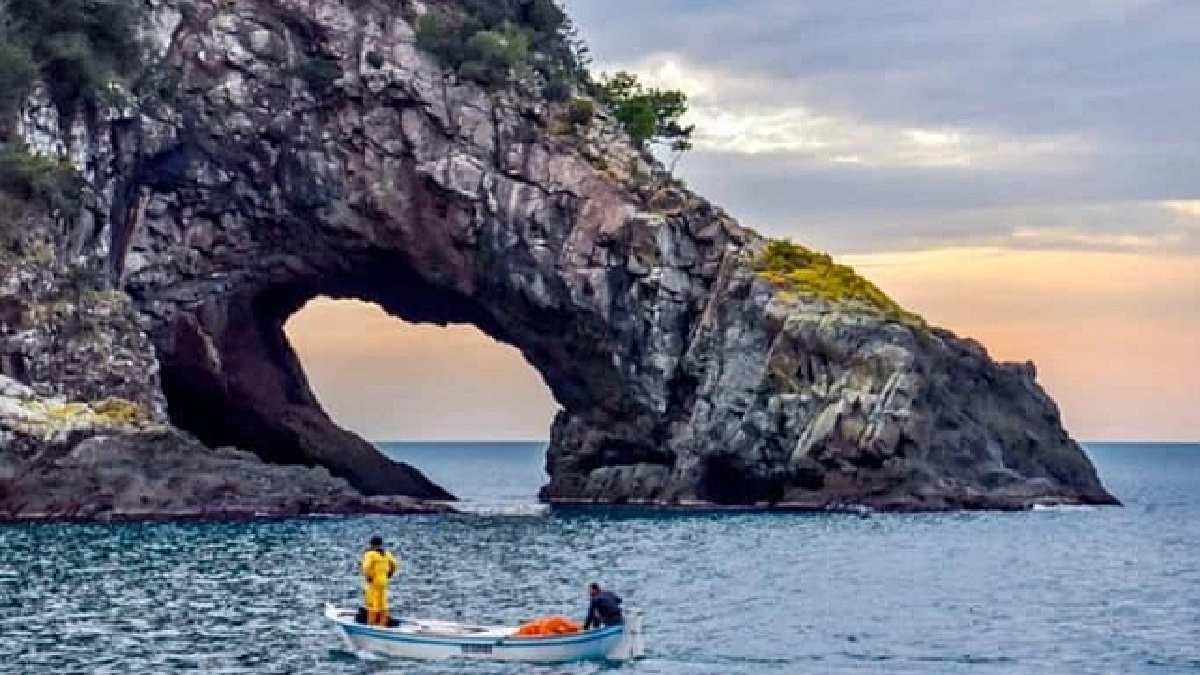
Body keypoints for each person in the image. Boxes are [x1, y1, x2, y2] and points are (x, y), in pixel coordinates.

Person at [361, 536, 399, 626]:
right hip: (384, 582)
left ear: (371, 544)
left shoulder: (370, 554)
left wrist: (368, 576)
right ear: (381, 544)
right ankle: (382, 624)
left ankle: (371, 624)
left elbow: (366, 567)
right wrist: (390, 573)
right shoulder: (386, 553)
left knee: (373, 604)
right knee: (383, 604)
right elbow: (395, 564)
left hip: (374, 582)